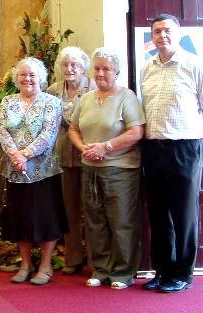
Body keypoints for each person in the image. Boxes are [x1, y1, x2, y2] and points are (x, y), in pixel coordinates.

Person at [68, 47, 145, 290]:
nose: (101, 74)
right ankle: (101, 269)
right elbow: (73, 129)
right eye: (97, 69)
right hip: (90, 167)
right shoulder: (87, 98)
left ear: (117, 72)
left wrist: (106, 147)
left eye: (106, 69)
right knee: (94, 220)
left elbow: (136, 132)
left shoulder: (127, 97)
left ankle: (123, 272)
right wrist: (84, 149)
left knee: (121, 221)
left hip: (120, 168)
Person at [140, 13, 203, 293]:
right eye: (156, 32)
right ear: (151, 37)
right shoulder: (146, 68)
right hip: (153, 148)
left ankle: (182, 274)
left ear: (178, 33)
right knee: (158, 214)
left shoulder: (194, 64)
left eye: (167, 31)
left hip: (185, 146)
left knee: (184, 214)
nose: (162, 36)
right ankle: (161, 271)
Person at [0, 57, 66, 285]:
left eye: (32, 75)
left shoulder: (51, 102)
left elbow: (49, 134)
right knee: (21, 218)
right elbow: (2, 131)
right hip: (15, 171)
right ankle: (25, 264)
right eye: (23, 74)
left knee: (46, 217)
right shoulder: (7, 102)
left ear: (42, 79)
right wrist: (15, 156)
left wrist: (24, 154)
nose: (27, 79)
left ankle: (45, 266)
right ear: (17, 78)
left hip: (44, 170)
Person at [47, 46, 96, 275]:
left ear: (83, 66)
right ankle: (73, 258)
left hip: (90, 155)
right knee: (69, 209)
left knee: (93, 208)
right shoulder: (52, 90)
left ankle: (96, 260)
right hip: (63, 156)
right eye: (65, 64)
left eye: (74, 64)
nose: (70, 69)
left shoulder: (94, 87)